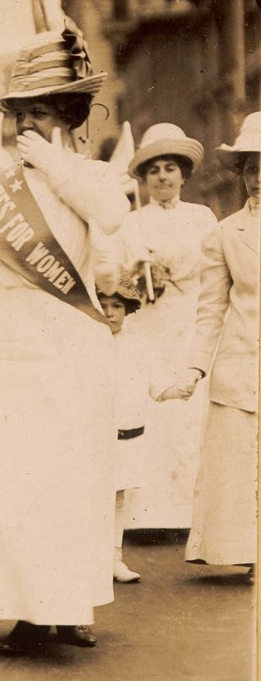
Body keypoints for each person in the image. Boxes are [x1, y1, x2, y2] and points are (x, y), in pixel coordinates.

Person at [0, 20, 129, 654]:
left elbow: (114, 215)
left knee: (73, 478)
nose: (26, 128)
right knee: (15, 477)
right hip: (11, 344)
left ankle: (69, 605)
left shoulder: (90, 177)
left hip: (72, 344)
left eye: (39, 114)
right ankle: (24, 609)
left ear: (67, 115)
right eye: (20, 116)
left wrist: (53, 162)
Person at [114, 123, 219, 531]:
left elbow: (215, 273)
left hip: (190, 322)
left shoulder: (203, 217)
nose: (162, 177)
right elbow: (120, 283)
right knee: (153, 411)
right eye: (154, 169)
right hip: (149, 326)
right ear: (143, 177)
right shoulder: (132, 222)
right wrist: (139, 274)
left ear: (183, 174)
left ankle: (191, 514)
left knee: (190, 414)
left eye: (170, 168)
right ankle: (149, 516)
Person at [171, 112, 260, 577]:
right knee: (240, 468)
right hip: (240, 367)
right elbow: (210, 313)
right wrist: (193, 369)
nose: (258, 177)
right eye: (250, 167)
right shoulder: (225, 235)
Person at [99, 277, 186, 584]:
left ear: (129, 309)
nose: (109, 313)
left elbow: (158, 389)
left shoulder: (138, 347)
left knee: (118, 495)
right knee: (91, 497)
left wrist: (179, 389)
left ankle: (113, 558)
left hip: (126, 435)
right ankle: (87, 561)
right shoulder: (84, 345)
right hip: (91, 438)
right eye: (103, 305)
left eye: (117, 306)